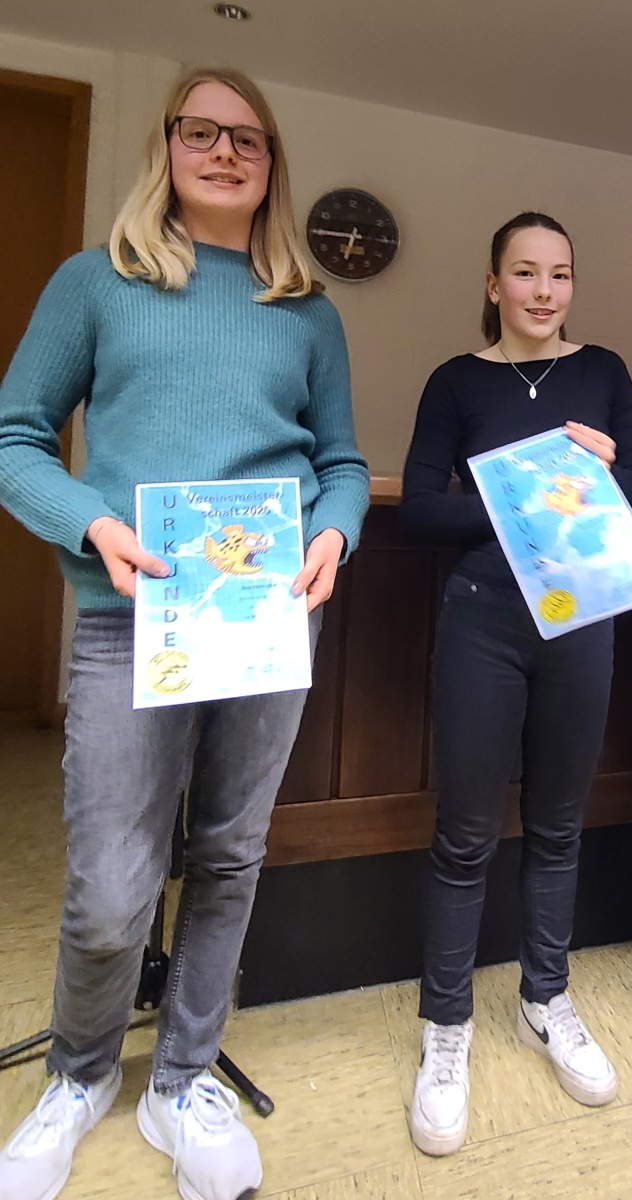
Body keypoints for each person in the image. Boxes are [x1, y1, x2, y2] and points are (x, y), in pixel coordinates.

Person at [0, 68, 368, 1200]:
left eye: (247, 139)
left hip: (265, 626)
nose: (223, 152)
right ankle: (78, 1074)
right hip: (130, 622)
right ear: (166, 146)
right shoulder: (94, 284)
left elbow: (343, 463)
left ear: (271, 164)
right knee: (112, 888)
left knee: (228, 858)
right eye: (200, 132)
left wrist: (335, 534)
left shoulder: (307, 311)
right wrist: (92, 523)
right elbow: (15, 439)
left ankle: (183, 1078)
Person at [398, 212, 632, 1155]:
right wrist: (520, 491)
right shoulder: (455, 381)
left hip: (582, 617)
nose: (544, 291)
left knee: (558, 826)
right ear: (494, 283)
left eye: (559, 274)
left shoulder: (604, 372)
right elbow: (419, 507)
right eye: (524, 272)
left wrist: (602, 477)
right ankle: (446, 1027)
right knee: (465, 834)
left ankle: (546, 999)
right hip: (483, 620)